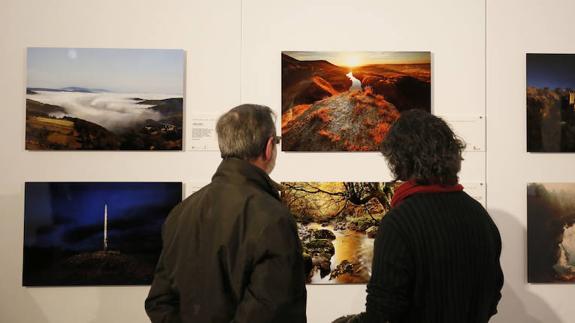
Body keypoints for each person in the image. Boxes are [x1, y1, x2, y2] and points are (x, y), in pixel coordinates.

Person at [334, 110, 503, 323]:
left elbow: (383, 311)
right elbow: (493, 293)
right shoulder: (479, 215)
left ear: (399, 159)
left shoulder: (399, 222)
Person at [145, 104, 307, 323]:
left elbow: (159, 301)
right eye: (276, 141)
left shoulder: (181, 212)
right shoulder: (273, 217)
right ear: (269, 147)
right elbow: (273, 312)